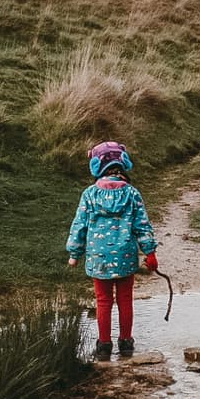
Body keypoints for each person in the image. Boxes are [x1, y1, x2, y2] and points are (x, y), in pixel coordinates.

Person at [66, 141, 158, 361]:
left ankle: (104, 344)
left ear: (97, 166)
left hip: (98, 258)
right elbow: (142, 226)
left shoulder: (89, 194)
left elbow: (80, 225)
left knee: (103, 300)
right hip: (125, 255)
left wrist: (74, 253)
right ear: (123, 163)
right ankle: (126, 342)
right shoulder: (132, 194)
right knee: (125, 299)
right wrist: (150, 252)